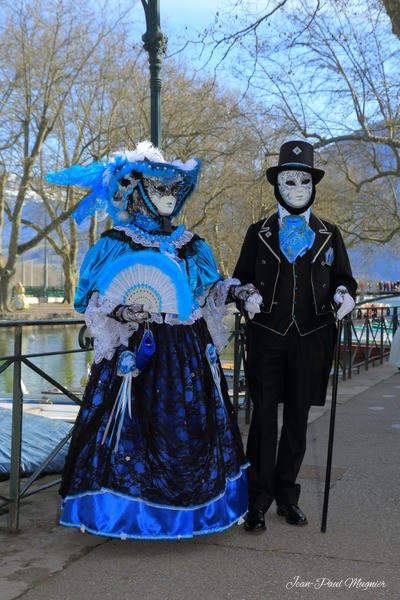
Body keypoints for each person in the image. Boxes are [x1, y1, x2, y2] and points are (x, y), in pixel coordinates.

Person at [46, 141, 261, 540]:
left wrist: (238, 293)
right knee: (131, 428)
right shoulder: (118, 243)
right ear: (140, 191)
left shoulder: (192, 245)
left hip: (187, 352)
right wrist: (123, 311)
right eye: (159, 189)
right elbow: (91, 298)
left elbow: (209, 289)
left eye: (173, 190)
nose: (168, 197)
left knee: (189, 428)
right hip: (140, 350)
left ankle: (196, 511)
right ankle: (123, 513)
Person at [233, 140, 357, 532]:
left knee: (298, 422)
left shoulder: (329, 234)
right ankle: (257, 502)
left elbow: (344, 279)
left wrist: (344, 295)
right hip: (267, 335)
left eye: (304, 180)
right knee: (264, 419)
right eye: (290, 180)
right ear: (278, 185)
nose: (298, 187)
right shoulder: (259, 232)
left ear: (313, 185)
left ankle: (287, 497)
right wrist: (245, 295)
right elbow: (240, 279)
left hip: (312, 336)